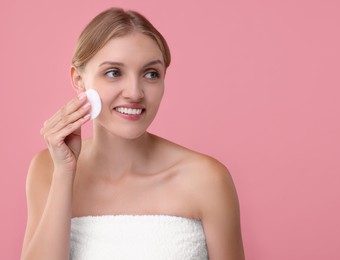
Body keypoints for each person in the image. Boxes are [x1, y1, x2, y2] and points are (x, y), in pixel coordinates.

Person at [21, 7, 245, 260]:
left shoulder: (207, 179)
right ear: (79, 80)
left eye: (151, 74)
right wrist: (64, 173)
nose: (135, 92)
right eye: (114, 73)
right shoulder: (48, 169)